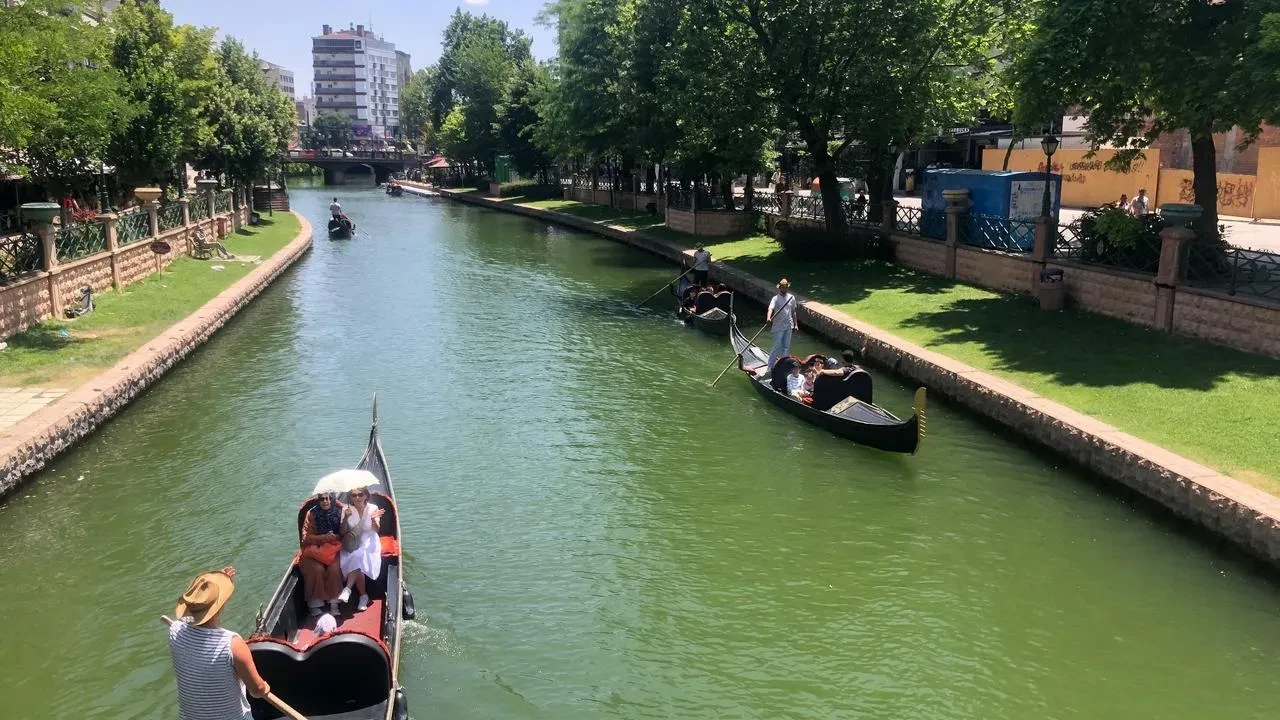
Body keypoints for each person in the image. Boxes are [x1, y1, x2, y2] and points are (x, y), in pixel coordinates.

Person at [168, 567, 270, 720]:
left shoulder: (174, 631)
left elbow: (190, 616)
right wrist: (264, 687)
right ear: (221, 605)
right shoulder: (232, 645)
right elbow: (256, 690)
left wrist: (218, 582)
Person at [338, 486, 384, 611]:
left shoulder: (373, 508)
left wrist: (374, 519)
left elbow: (376, 530)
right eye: (353, 495)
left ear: (366, 496)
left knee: (359, 555)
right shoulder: (346, 509)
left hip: (370, 540)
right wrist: (346, 518)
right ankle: (363, 596)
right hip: (352, 540)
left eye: (360, 494)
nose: (357, 497)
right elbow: (342, 532)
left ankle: (348, 588)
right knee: (356, 555)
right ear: (350, 497)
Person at [300, 493, 344, 616]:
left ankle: (334, 602)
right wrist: (324, 538)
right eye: (322, 499)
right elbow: (306, 537)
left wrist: (336, 537)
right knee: (316, 569)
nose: (326, 501)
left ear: (333, 499)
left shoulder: (340, 512)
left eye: (329, 498)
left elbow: (344, 532)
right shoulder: (311, 514)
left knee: (334, 569)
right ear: (318, 500)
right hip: (314, 549)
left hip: (333, 548)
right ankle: (315, 603)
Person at [765, 279, 798, 370]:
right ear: (780, 288)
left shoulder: (792, 297)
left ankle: (783, 367)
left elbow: (793, 311)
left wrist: (796, 324)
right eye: (783, 287)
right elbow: (770, 309)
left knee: (786, 348)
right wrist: (768, 318)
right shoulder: (775, 298)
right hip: (778, 326)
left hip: (788, 326)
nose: (785, 289)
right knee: (775, 347)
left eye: (786, 287)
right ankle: (769, 367)